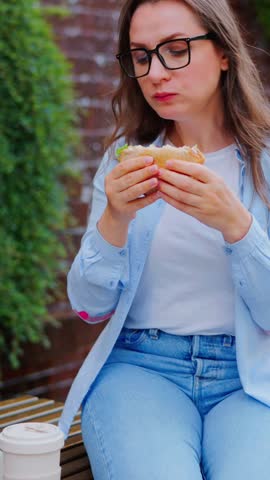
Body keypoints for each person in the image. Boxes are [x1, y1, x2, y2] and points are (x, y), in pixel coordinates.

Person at [59, 0, 270, 478]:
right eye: (140, 56)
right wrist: (114, 219)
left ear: (223, 53)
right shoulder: (125, 159)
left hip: (252, 378)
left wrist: (237, 226)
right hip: (140, 370)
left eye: (176, 50)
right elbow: (89, 306)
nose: (155, 73)